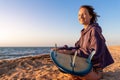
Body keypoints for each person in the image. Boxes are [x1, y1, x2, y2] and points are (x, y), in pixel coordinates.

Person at [52, 5, 114, 80]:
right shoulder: (83, 32)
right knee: (67, 71)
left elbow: (95, 52)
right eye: (79, 15)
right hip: (85, 64)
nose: (81, 17)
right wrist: (62, 49)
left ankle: (98, 74)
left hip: (95, 67)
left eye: (84, 14)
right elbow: (77, 47)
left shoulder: (94, 30)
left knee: (81, 76)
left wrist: (71, 52)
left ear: (90, 16)